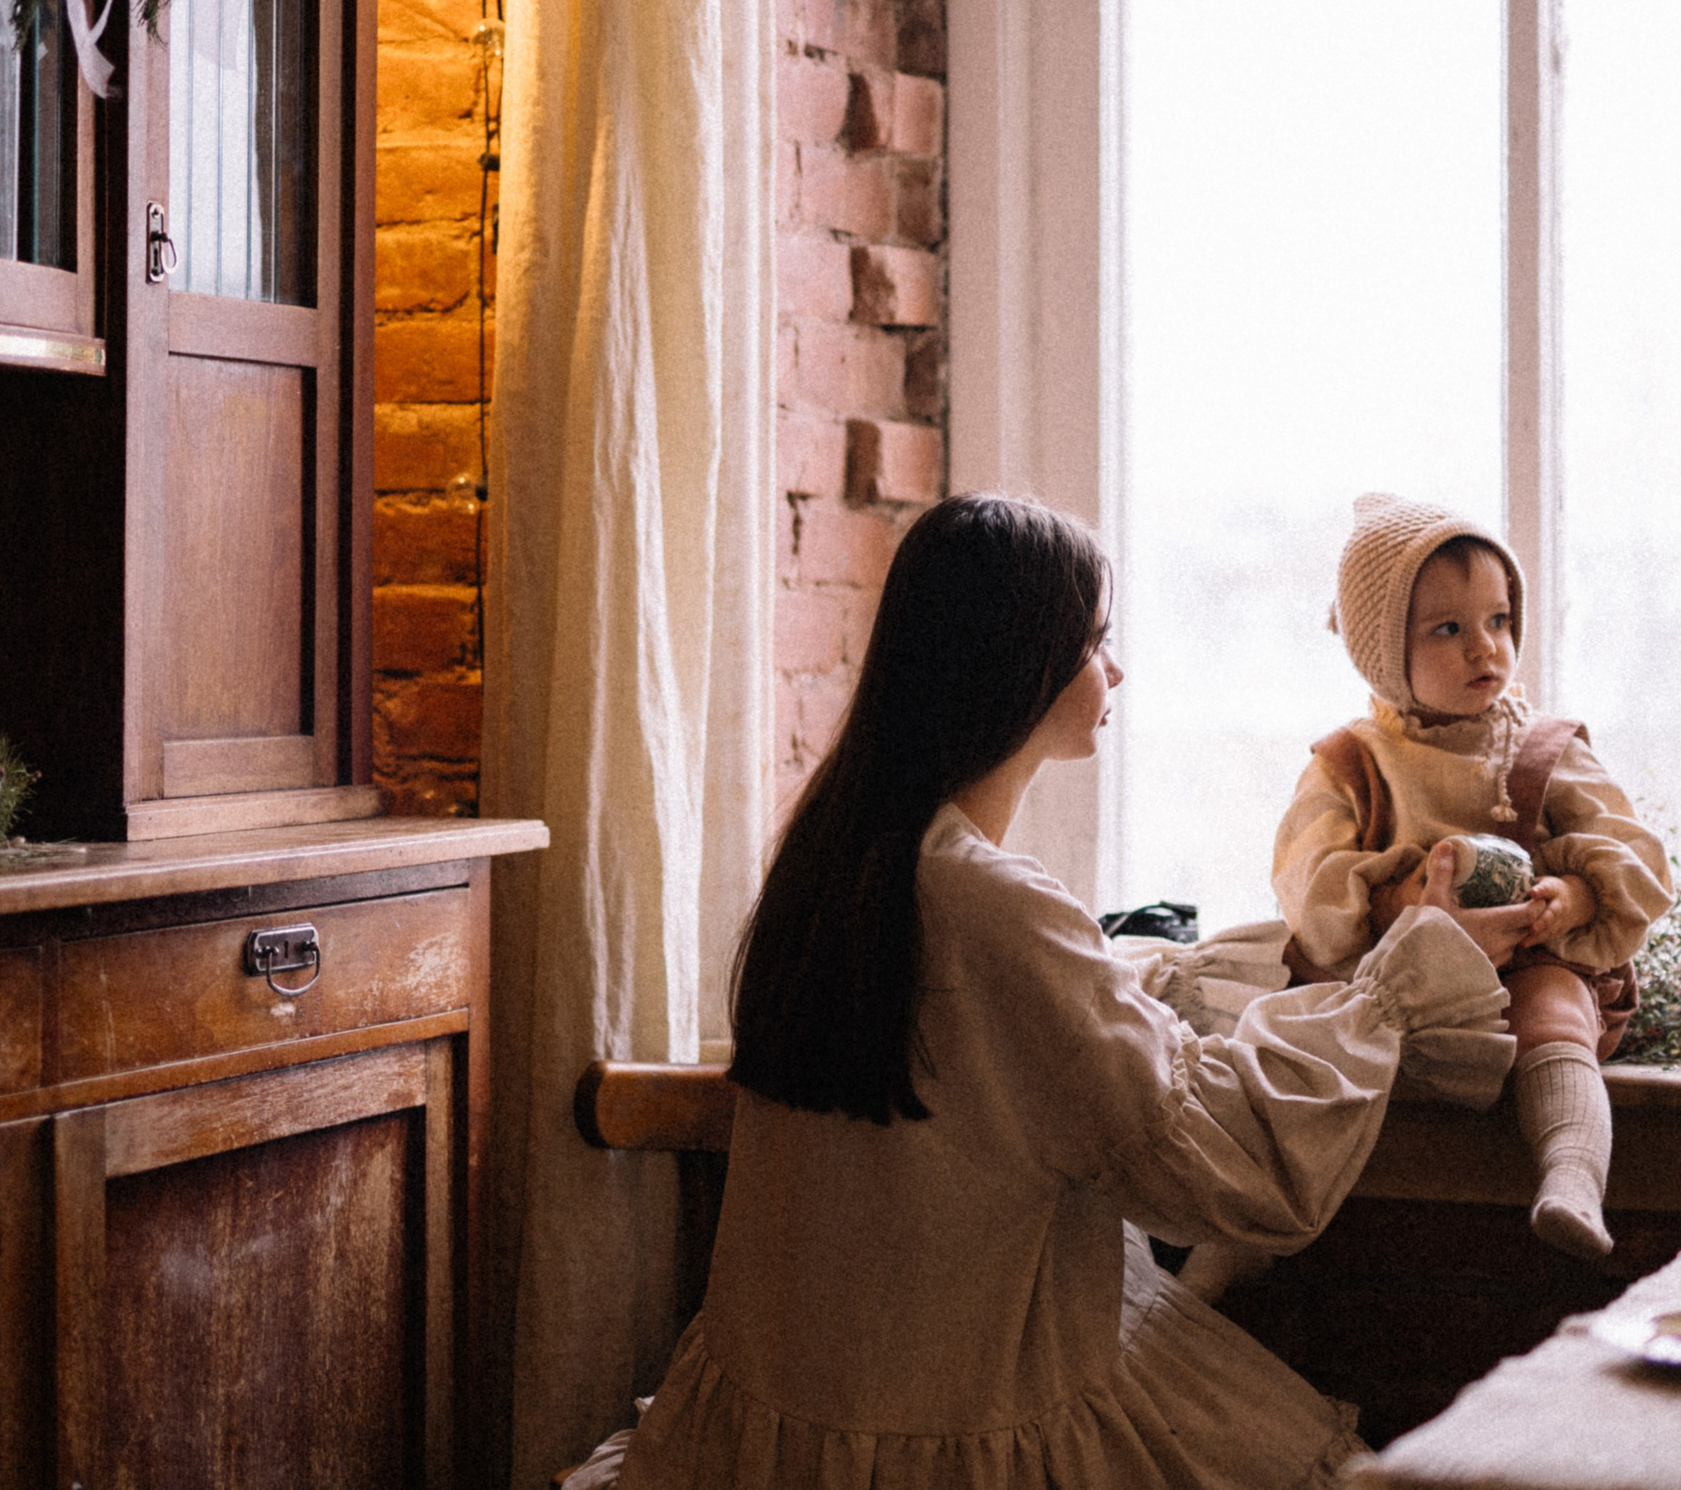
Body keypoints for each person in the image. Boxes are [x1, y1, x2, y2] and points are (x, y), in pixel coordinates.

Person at [589, 492, 1518, 1490]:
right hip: (968, 1424)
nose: (1113, 669)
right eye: (1094, 641)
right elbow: (1225, 1163)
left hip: (794, 1429)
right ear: (1015, 663)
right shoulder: (988, 903)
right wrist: (1405, 973)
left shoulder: (838, 853)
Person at [1273, 492, 1672, 1261]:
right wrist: (1396, 900)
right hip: (1389, 983)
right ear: (1384, 652)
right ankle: (1240, 1238)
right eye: (1448, 629)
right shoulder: (1352, 763)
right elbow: (1308, 879)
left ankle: (1572, 1177)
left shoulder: (1542, 748)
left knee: (1557, 1013)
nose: (1485, 648)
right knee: (1309, 1055)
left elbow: (1630, 848)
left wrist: (1575, 895)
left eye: (1499, 620)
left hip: (1517, 966)